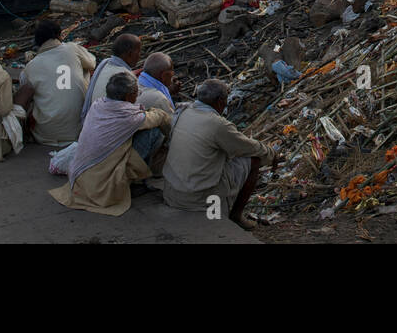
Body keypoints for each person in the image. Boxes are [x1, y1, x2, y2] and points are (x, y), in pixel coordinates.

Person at [49, 73, 172, 217]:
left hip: (79, 179)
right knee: (153, 132)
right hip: (101, 187)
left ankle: (134, 179)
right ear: (128, 97)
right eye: (136, 93)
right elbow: (159, 118)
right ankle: (137, 183)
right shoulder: (129, 117)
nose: (138, 96)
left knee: (136, 133)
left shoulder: (98, 105)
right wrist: (171, 136)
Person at [163, 78, 277, 230]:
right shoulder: (217, 124)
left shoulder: (183, 111)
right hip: (198, 198)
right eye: (225, 100)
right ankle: (236, 216)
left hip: (171, 192)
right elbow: (250, 148)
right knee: (254, 160)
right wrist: (272, 155)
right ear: (219, 101)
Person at [19, 19, 96, 147]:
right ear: (59, 35)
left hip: (45, 135)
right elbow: (92, 63)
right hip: (79, 131)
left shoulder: (31, 66)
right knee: (85, 71)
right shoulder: (72, 48)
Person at [82, 33, 143, 121]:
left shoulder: (105, 63)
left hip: (91, 121)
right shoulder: (128, 78)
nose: (139, 56)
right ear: (130, 54)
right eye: (138, 52)